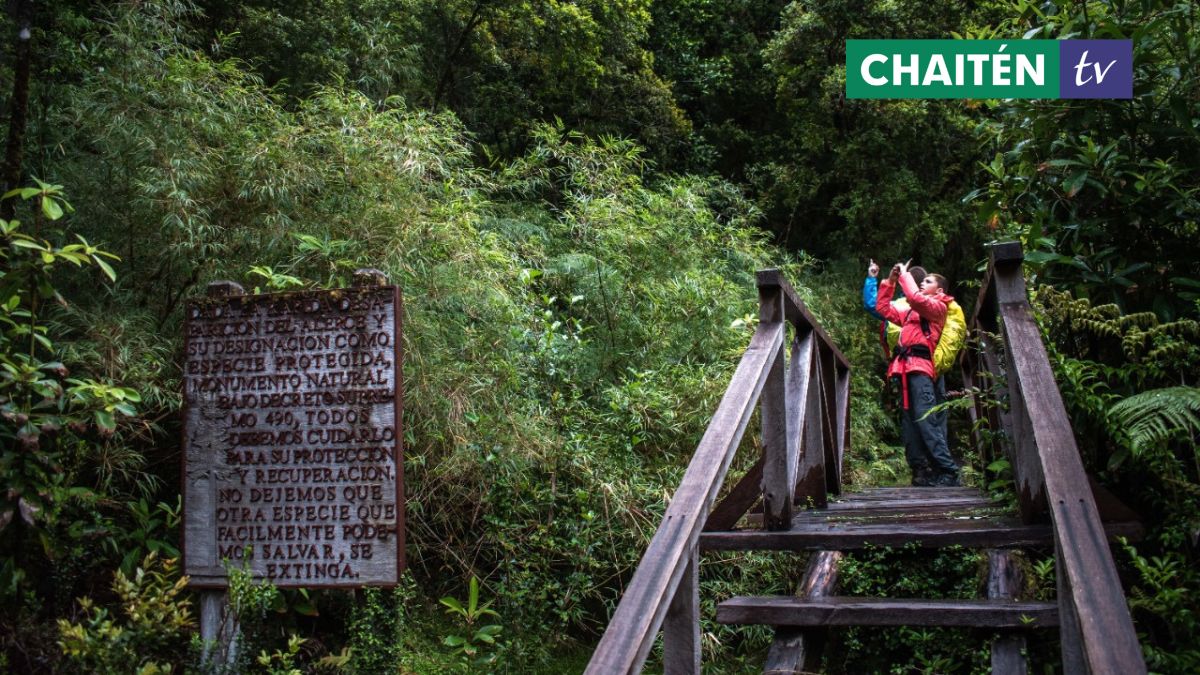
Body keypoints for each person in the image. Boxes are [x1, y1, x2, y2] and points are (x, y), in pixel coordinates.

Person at [876, 261, 960, 487]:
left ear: (939, 290)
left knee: (926, 420)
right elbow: (883, 309)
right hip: (904, 368)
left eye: (928, 281)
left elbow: (915, 298)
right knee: (910, 423)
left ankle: (948, 470)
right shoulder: (912, 313)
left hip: (921, 368)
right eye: (922, 281)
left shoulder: (938, 308)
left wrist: (904, 275)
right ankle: (922, 470)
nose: (922, 283)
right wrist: (891, 281)